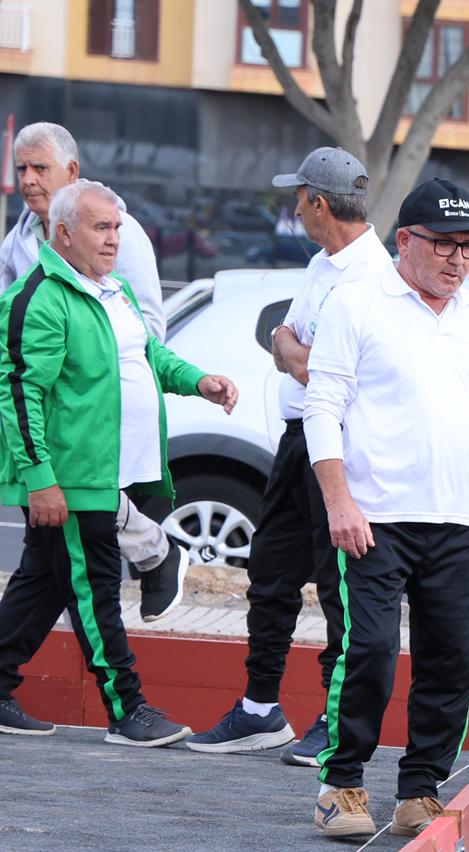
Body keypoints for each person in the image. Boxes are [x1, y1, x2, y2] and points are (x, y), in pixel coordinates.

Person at [300, 178, 469, 840]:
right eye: (446, 246)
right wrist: (338, 500)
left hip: (453, 520)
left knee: (453, 660)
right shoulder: (358, 303)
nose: (459, 260)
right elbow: (323, 405)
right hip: (373, 516)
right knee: (370, 649)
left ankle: (419, 790)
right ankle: (341, 783)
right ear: (405, 241)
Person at [0, 180, 238, 743]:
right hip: (73, 478)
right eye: (100, 228)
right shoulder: (39, 297)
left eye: (116, 228)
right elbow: (17, 393)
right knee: (96, 589)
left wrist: (197, 381)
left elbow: (147, 354)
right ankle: (127, 709)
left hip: (111, 472)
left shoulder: (115, 291)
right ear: (63, 233)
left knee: (43, 584)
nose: (113, 240)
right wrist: (41, 480)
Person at [186, 148, 389, 764]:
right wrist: (296, 352)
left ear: (319, 202)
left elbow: (324, 369)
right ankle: (258, 710)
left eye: (298, 196)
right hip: (297, 438)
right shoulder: (323, 265)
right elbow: (285, 342)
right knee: (270, 576)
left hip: (341, 446)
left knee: (337, 589)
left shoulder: (373, 277)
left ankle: (334, 722)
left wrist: (299, 354)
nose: (294, 208)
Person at [0, 121, 187, 622]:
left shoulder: (119, 231)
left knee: (75, 554)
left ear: (72, 170)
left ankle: (154, 556)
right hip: (45, 413)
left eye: (41, 167)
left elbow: (147, 326)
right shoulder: (17, 240)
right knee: (55, 561)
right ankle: (152, 558)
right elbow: (12, 334)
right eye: (21, 168)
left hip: (99, 409)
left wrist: (83, 359)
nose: (29, 179)